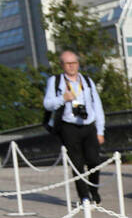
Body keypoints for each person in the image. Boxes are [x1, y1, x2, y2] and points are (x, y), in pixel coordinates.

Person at [43, 50, 105, 204]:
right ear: (61, 65)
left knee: (94, 161)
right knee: (77, 163)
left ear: (78, 64)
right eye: (67, 63)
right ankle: (84, 196)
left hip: (88, 124)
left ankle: (94, 190)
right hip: (68, 126)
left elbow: (97, 106)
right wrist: (63, 98)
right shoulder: (55, 81)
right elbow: (47, 104)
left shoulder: (87, 81)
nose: (71, 66)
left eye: (74, 63)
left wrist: (100, 130)